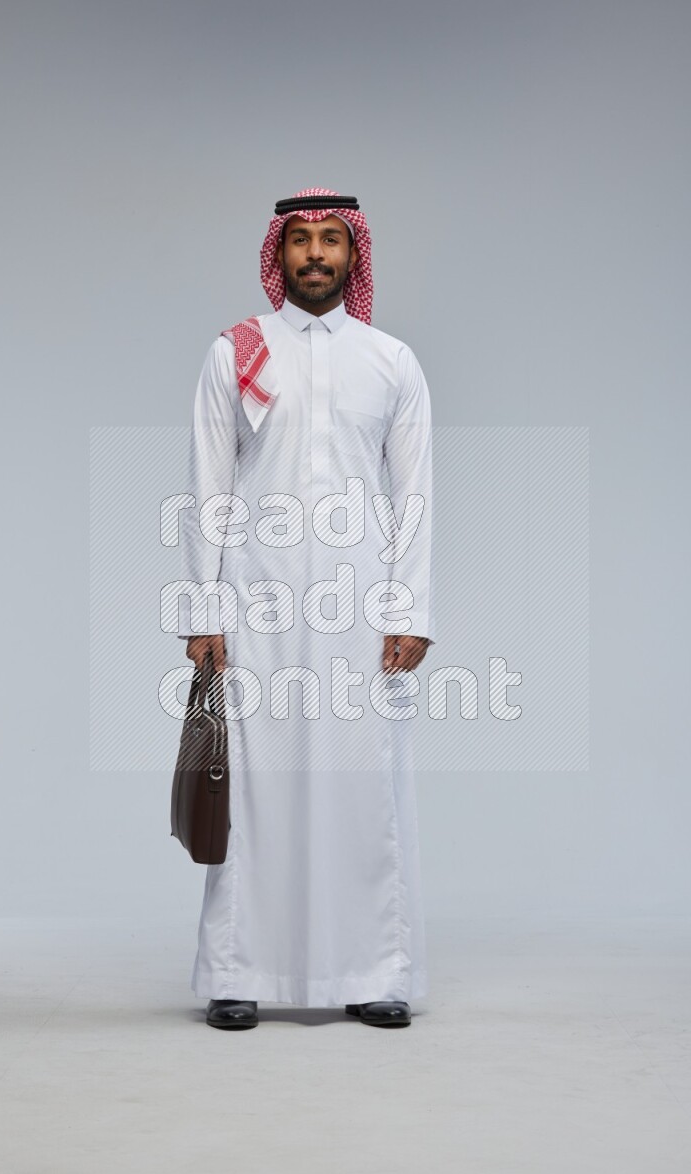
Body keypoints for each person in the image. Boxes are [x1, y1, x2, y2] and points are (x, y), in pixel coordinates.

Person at [178, 187, 435, 1029]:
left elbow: (416, 496)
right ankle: (236, 972)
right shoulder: (238, 352)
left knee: (364, 786)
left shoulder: (392, 361)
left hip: (361, 608)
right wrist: (203, 609)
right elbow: (208, 489)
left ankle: (374, 973)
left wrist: (410, 609)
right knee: (255, 785)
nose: (316, 254)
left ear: (354, 255)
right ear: (278, 254)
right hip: (256, 602)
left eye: (332, 240)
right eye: (302, 241)